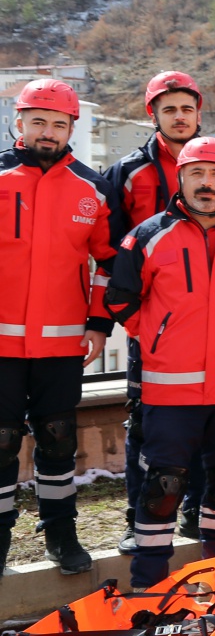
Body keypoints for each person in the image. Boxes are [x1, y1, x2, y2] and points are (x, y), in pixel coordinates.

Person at [106, 137, 215, 589]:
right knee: (164, 487)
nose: (206, 183)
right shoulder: (148, 234)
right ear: (180, 178)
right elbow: (120, 300)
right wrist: (160, 337)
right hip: (169, 389)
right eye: (196, 173)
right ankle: (148, 586)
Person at [0, 80, 115, 574]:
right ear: (19, 122)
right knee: (1, 441)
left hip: (62, 343)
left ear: (72, 128)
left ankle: (61, 534)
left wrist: (99, 323)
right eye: (39, 122)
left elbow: (107, 262)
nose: (48, 132)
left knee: (58, 437)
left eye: (59, 124)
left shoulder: (93, 187)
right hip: (1, 344)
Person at [106, 71, 206, 556]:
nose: (179, 117)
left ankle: (196, 512)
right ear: (154, 115)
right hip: (153, 326)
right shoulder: (129, 171)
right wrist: (139, 323)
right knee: (145, 423)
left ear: (198, 113)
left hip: (208, 321)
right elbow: (111, 251)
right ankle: (138, 517)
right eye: (170, 109)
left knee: (208, 419)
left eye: (187, 108)